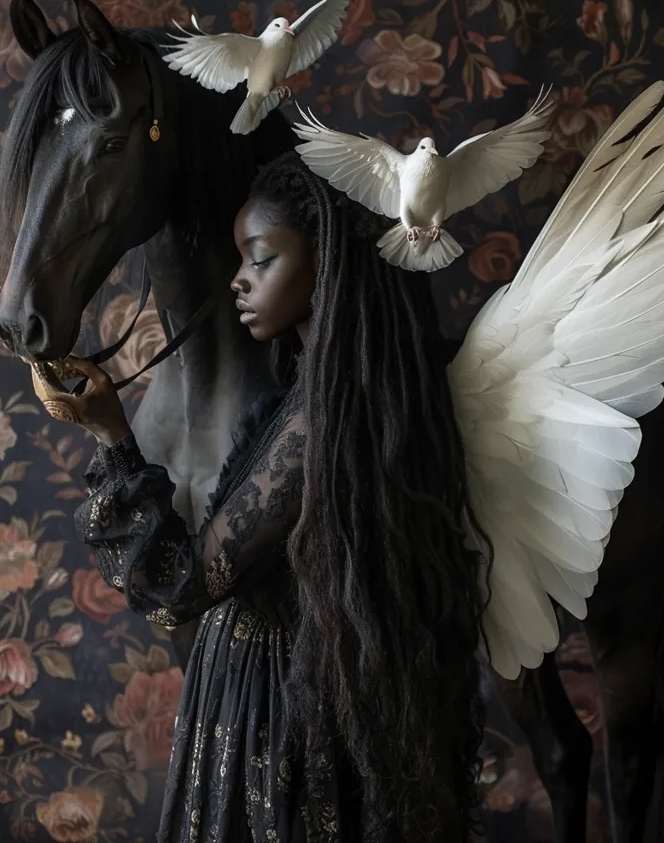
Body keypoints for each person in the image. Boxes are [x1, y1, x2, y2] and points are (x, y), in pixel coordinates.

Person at [35, 152, 489, 842]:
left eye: (262, 258)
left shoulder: (319, 424)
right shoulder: (332, 403)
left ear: (327, 264)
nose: (239, 279)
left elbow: (179, 584)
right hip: (274, 698)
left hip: (275, 713)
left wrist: (111, 434)